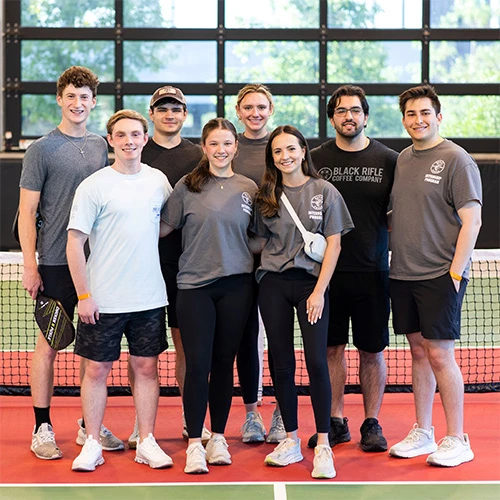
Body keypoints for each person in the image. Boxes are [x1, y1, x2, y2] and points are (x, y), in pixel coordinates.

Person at [18, 66, 123, 460]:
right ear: (60, 99)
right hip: (56, 264)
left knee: (92, 349)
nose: (78, 104)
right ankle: (41, 425)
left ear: (93, 103)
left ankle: (86, 427)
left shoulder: (100, 145)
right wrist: (31, 265)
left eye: (85, 97)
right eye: (71, 96)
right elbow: (27, 212)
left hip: (100, 262)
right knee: (48, 345)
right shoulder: (41, 149)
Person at [67, 110, 173, 471]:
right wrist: (84, 295)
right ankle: (92, 443)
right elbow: (74, 243)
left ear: (145, 139)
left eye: (135, 134)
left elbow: (163, 226)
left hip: (149, 298)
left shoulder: (159, 181)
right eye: (121, 135)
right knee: (95, 372)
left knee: (146, 369)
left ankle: (146, 441)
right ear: (110, 140)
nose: (129, 140)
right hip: (103, 299)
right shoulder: (94, 185)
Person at [388, 85, 482, 467]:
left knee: (441, 355)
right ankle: (424, 432)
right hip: (403, 274)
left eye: (425, 113)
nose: (418, 120)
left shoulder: (457, 159)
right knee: (417, 353)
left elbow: (472, 220)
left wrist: (455, 274)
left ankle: (457, 438)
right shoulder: (404, 160)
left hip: (441, 276)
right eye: (411, 114)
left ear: (438, 116)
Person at [253, 125, 353, 479]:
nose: (285, 156)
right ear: (272, 157)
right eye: (278, 151)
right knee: (281, 363)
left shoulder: (324, 191)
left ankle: (323, 444)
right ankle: (291, 440)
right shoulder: (266, 195)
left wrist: (319, 292)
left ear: (303, 151)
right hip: (273, 285)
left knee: (316, 362)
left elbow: (335, 244)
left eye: (291, 149)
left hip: (311, 286)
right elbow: (258, 243)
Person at [160, 118, 257, 474]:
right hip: (193, 288)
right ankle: (194, 444)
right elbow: (162, 228)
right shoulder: (186, 186)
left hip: (237, 287)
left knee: (223, 364)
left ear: (235, 147)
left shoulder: (249, 188)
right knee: (197, 366)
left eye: (227, 143)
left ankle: (218, 437)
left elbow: (260, 237)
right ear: (204, 148)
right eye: (214, 143)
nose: (220, 150)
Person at [307, 85, 397, 452]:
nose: (349, 116)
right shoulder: (314, 159)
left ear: (366, 115)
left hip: (373, 273)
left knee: (372, 351)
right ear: (332, 118)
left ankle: (371, 422)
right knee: (331, 350)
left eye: (356, 110)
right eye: (341, 111)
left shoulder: (390, 160)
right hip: (326, 276)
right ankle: (336, 420)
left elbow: (396, 215)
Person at [126, 85, 210, 448]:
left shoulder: (198, 156)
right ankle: (139, 424)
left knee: (185, 347)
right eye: (162, 109)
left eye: (176, 109)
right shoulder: (136, 151)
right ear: (152, 114)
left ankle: (192, 420)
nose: (169, 114)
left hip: (186, 268)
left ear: (184, 114)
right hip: (140, 268)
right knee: (141, 353)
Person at [232, 83, 285, 444]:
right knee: (246, 339)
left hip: (279, 262)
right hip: (237, 263)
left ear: (271, 109)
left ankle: (282, 413)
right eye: (248, 107)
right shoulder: (228, 145)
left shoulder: (282, 144)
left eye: (261, 107)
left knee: (280, 339)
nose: (255, 112)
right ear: (238, 111)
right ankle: (251, 414)